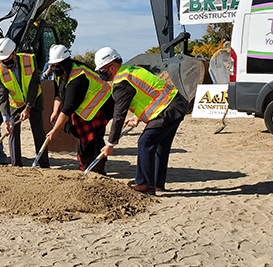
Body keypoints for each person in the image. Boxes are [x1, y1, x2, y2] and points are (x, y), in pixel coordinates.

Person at [95, 47, 188, 195]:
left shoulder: (121, 83)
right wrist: (137, 117)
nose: (101, 74)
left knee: (145, 142)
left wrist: (110, 144)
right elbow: (148, 93)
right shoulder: (131, 71)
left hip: (167, 110)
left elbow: (119, 115)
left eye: (101, 70)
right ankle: (157, 183)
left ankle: (144, 184)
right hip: (176, 104)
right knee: (160, 145)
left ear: (111, 67)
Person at [44, 45, 114, 174]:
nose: (53, 68)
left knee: (92, 139)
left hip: (102, 105)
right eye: (52, 65)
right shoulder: (63, 74)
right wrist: (55, 111)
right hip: (87, 106)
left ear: (64, 63)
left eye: (56, 65)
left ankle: (94, 167)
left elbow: (68, 108)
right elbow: (59, 95)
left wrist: (54, 130)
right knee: (87, 137)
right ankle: (91, 165)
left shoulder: (78, 78)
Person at [0, 38, 49, 168]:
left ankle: (44, 164)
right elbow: (2, 96)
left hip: (34, 100)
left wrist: (28, 108)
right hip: (15, 104)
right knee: (13, 132)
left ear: (14, 53)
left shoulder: (29, 59)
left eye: (7, 59)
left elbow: (34, 84)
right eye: (3, 60)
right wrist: (6, 120)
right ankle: (16, 165)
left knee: (38, 132)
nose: (5, 63)